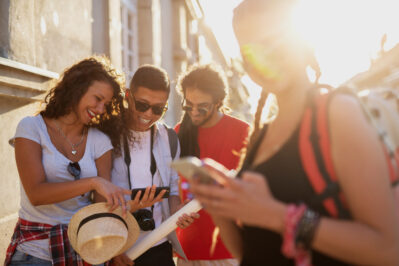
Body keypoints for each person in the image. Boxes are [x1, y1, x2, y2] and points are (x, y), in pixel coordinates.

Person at [189, 0, 399, 265]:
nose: (264, 58)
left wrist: (277, 215)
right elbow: (253, 252)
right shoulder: (259, 136)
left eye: (275, 42)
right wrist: (219, 207)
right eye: (250, 52)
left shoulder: (337, 114)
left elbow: (387, 249)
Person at [4, 56, 139, 265]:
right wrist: (93, 182)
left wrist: (114, 246)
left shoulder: (100, 141)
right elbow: (36, 194)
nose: (101, 109)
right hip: (34, 253)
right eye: (97, 98)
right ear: (77, 89)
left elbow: (100, 206)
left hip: (85, 251)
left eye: (106, 103)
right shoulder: (31, 128)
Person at [111, 65, 198, 266]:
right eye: (142, 105)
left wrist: (179, 212)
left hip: (158, 246)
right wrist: (112, 248)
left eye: (158, 109)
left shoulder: (169, 138)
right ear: (128, 96)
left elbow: (173, 189)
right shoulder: (106, 134)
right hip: (115, 248)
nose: (149, 114)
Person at [174, 64, 249, 266]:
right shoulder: (178, 133)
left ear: (218, 102)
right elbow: (174, 188)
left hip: (227, 252)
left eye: (202, 106)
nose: (194, 112)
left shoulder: (243, 133)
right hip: (187, 252)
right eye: (188, 105)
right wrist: (176, 210)